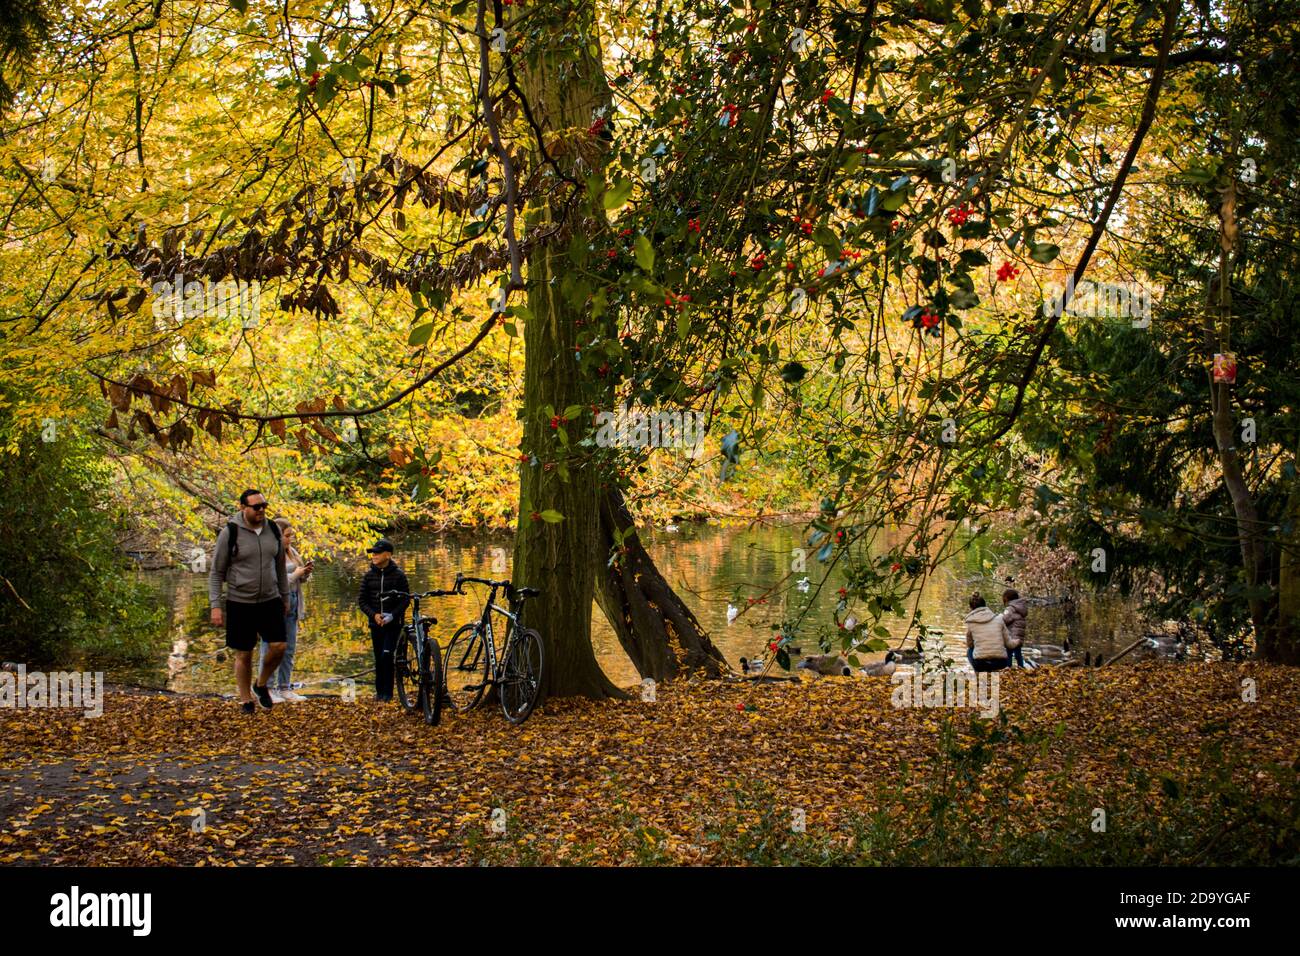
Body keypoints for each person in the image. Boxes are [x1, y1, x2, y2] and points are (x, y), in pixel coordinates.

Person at [209, 489, 289, 713]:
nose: (261, 510)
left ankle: (261, 684)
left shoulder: (273, 529)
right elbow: (216, 572)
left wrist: (285, 596)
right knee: (244, 653)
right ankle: (245, 698)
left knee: (279, 646)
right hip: (240, 601)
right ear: (243, 508)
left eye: (264, 505)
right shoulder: (231, 532)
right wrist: (215, 605)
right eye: (256, 507)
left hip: (270, 599)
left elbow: (280, 567)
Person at [256, 518, 313, 701]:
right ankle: (267, 688)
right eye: (287, 536)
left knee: (289, 648)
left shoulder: (292, 552)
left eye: (291, 535)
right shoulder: (268, 554)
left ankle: (284, 687)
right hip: (274, 603)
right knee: (271, 648)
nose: (290, 539)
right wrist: (294, 574)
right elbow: (271, 581)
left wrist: (305, 573)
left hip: (294, 601)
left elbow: (300, 580)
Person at [357, 538, 410, 702]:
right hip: (375, 624)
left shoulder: (399, 575)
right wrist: (374, 615)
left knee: (387, 655)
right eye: (372, 553)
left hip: (393, 624)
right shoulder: (368, 576)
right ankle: (380, 693)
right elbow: (362, 601)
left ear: (388, 555)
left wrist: (392, 615)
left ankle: (389, 693)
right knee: (379, 658)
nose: (374, 555)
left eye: (377, 553)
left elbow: (405, 599)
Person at [965, 592, 1011, 673]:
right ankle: (1005, 668)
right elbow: (1008, 643)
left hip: (981, 664)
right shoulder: (999, 619)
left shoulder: (970, 623)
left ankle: (977, 672)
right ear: (985, 605)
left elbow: (970, 644)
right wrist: (1017, 642)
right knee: (1005, 647)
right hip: (1001, 663)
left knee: (969, 650)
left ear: (971, 607)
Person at [1001, 588, 1029, 669]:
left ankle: (1008, 667)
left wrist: (999, 617)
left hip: (1012, 635)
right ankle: (1021, 667)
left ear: (1006, 598)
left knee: (1008, 653)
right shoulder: (1021, 607)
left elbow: (1005, 619)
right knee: (1018, 654)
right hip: (1019, 636)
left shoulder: (1010, 608)